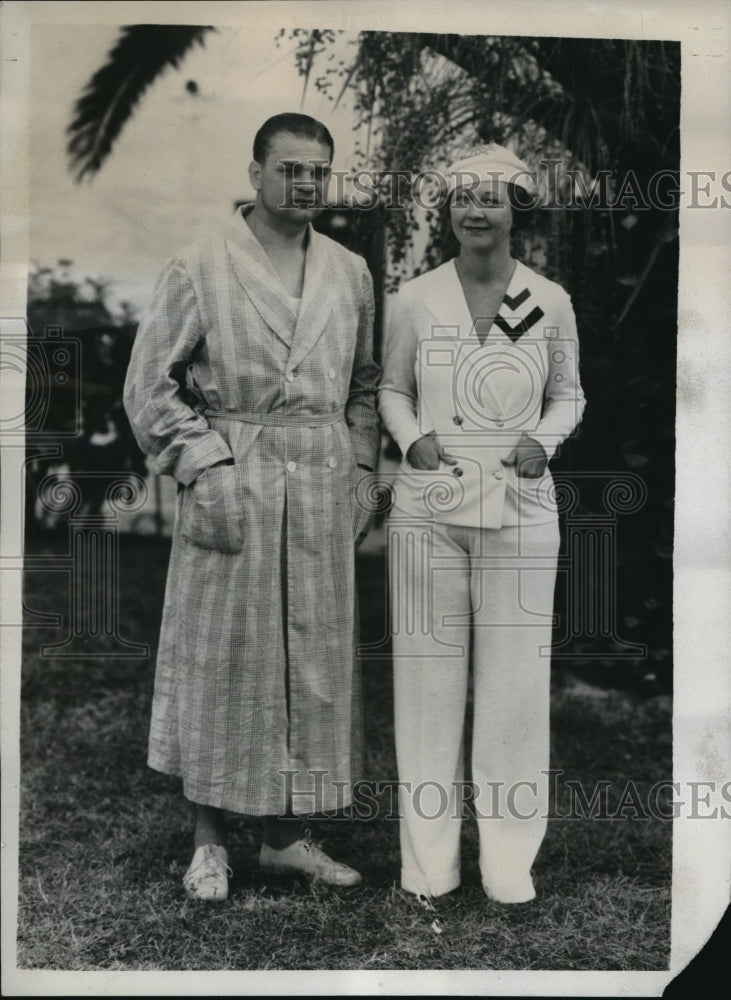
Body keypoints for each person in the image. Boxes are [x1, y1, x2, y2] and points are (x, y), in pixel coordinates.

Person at [124, 113, 380, 901]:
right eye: (289, 168)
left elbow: (364, 385)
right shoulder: (201, 263)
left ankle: (283, 839)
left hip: (320, 480)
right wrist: (205, 464)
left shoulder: (349, 271)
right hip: (234, 474)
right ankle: (208, 841)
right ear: (255, 173)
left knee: (309, 660)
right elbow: (148, 387)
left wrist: (361, 469)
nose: (304, 183)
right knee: (224, 659)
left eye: (317, 171)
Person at [379, 144, 586, 905]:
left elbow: (569, 394)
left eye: (491, 198)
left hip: (519, 507)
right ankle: (428, 867)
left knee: (513, 692)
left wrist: (544, 441)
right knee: (426, 689)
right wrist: (412, 440)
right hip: (429, 507)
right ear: (447, 211)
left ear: (514, 211)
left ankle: (507, 866)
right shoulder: (413, 297)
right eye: (463, 197)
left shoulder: (548, 299)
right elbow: (391, 389)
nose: (475, 210)